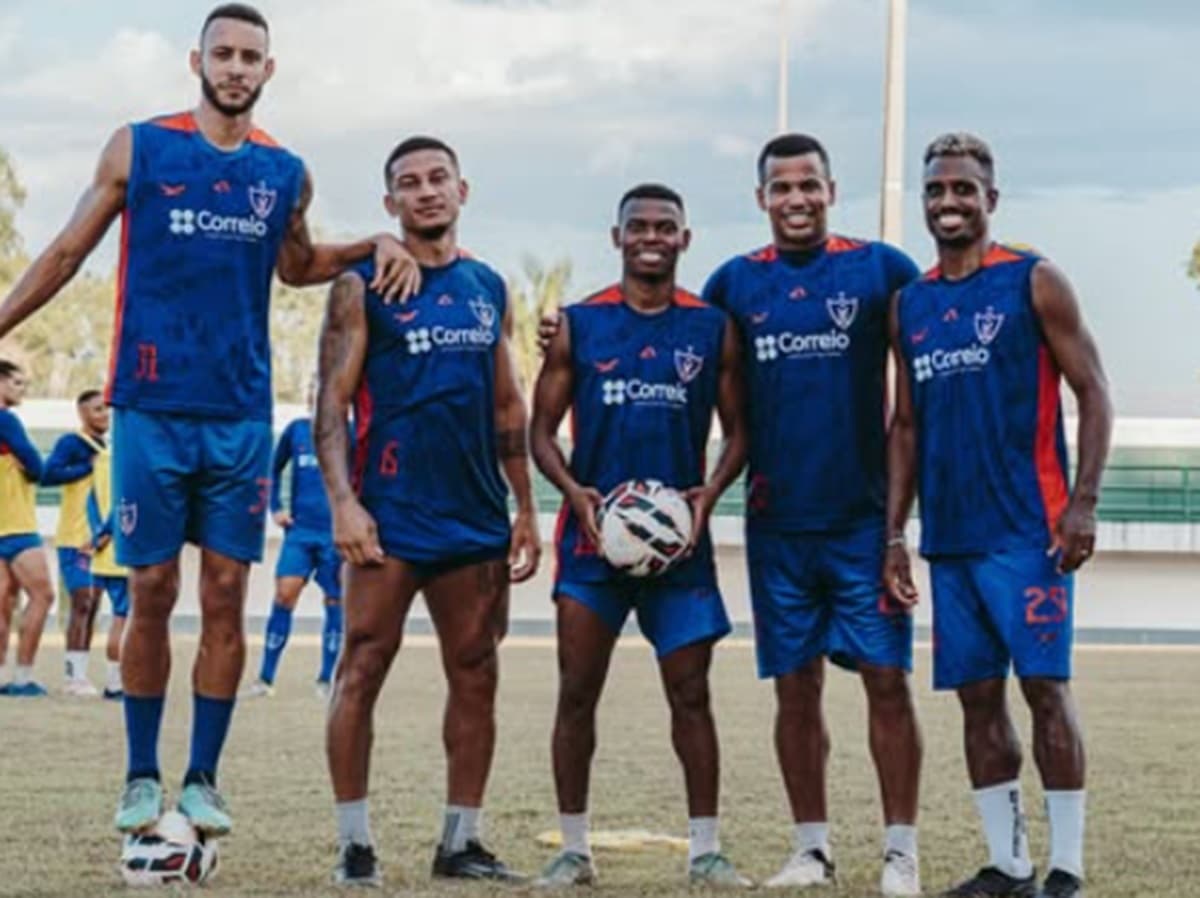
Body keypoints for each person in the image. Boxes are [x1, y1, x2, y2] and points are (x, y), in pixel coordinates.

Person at [0, 3, 415, 837]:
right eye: (222, 53)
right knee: (151, 589)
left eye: (249, 56)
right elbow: (68, 251)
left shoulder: (284, 172)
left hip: (238, 418)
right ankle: (142, 775)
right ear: (197, 61)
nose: (235, 67)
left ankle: (202, 779)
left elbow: (297, 266)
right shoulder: (141, 146)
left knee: (227, 596)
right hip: (149, 408)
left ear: (269, 70)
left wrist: (372, 243)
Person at [537, 135, 925, 894]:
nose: (796, 199)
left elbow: (938, 315)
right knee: (790, 690)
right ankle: (807, 851)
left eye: (808, 184)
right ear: (760, 199)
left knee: (882, 681)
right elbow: (551, 414)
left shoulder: (878, 270)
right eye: (781, 187)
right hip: (760, 527)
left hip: (850, 520)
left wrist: (707, 496)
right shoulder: (728, 290)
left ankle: (897, 853)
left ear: (830, 188)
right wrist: (563, 341)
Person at [885, 133, 1112, 898]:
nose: (949, 202)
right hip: (950, 539)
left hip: (1029, 533)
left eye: (962, 189)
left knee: (1045, 691)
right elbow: (906, 427)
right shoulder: (910, 304)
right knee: (977, 699)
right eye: (936, 191)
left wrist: (1082, 502)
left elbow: (1094, 390)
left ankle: (1067, 868)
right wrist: (895, 532)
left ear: (990, 198)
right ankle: (1009, 864)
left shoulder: (1034, 280)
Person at [315, 135, 540, 887]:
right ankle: (354, 844)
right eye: (408, 183)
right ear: (391, 204)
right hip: (389, 512)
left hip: (475, 516)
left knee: (476, 672)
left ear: (462, 190)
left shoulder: (489, 286)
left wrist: (527, 509)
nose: (426, 191)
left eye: (438, 178)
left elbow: (508, 403)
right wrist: (343, 503)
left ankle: (460, 842)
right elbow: (332, 404)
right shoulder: (360, 286)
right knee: (362, 666)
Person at [530, 184, 751, 888]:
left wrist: (707, 496)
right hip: (593, 544)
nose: (651, 237)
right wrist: (575, 494)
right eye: (638, 227)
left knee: (692, 695)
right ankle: (574, 849)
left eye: (666, 227)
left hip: (678, 551)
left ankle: (707, 850)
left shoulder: (711, 327)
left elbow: (741, 429)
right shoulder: (578, 323)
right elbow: (539, 433)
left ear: (686, 239)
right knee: (576, 694)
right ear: (616, 236)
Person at [246, 376, 343, 698]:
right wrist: (276, 508)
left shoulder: (351, 431)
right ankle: (265, 679)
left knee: (335, 601)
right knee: (284, 595)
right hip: (300, 532)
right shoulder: (297, 430)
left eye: (325, 391)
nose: (318, 397)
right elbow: (272, 470)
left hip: (336, 535)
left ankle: (326, 679)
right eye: (313, 391)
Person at [41, 389, 110, 696]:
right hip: (73, 537)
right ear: (82, 414)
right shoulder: (72, 443)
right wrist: (87, 467)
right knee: (81, 601)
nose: (104, 415)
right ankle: (72, 676)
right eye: (97, 410)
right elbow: (48, 474)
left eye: (106, 409)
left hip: (99, 540)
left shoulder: (108, 447)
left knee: (93, 605)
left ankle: (81, 672)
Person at [0, 359, 55, 697]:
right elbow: (38, 468)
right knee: (43, 595)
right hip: (15, 524)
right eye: (17, 383)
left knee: (3, 602)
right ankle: (22, 677)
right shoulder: (6, 419)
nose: (22, 390)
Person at [85, 408, 131, 700]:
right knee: (124, 619)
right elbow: (123, 500)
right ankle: (116, 682)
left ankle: (111, 679)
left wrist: (95, 534)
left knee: (115, 615)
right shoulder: (127, 460)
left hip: (102, 555)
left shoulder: (99, 459)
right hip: (124, 550)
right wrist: (107, 531)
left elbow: (91, 500)